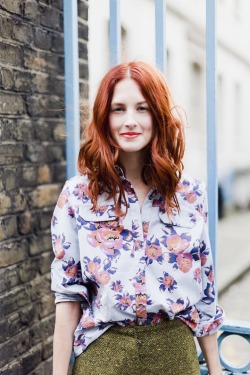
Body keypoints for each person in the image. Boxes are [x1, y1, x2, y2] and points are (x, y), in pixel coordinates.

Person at [51, 61, 225, 375]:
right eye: (118, 109)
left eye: (142, 108)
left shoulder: (189, 195)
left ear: (157, 115)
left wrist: (216, 370)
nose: (130, 120)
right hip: (104, 355)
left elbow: (205, 291)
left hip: (175, 353)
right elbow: (67, 296)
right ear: (104, 117)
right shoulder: (77, 195)